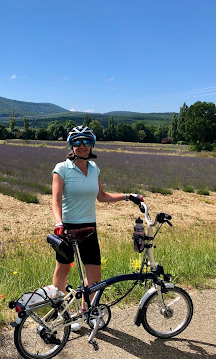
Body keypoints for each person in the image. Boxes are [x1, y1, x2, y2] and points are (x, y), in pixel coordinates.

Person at [51, 126, 142, 326]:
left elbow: (102, 197)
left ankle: (87, 311)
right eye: (77, 142)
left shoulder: (94, 169)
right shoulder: (62, 168)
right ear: (71, 145)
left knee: (94, 274)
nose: (82, 146)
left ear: (91, 144)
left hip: (89, 228)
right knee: (63, 270)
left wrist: (128, 196)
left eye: (85, 142)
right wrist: (59, 222)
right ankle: (61, 314)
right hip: (67, 227)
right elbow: (55, 200)